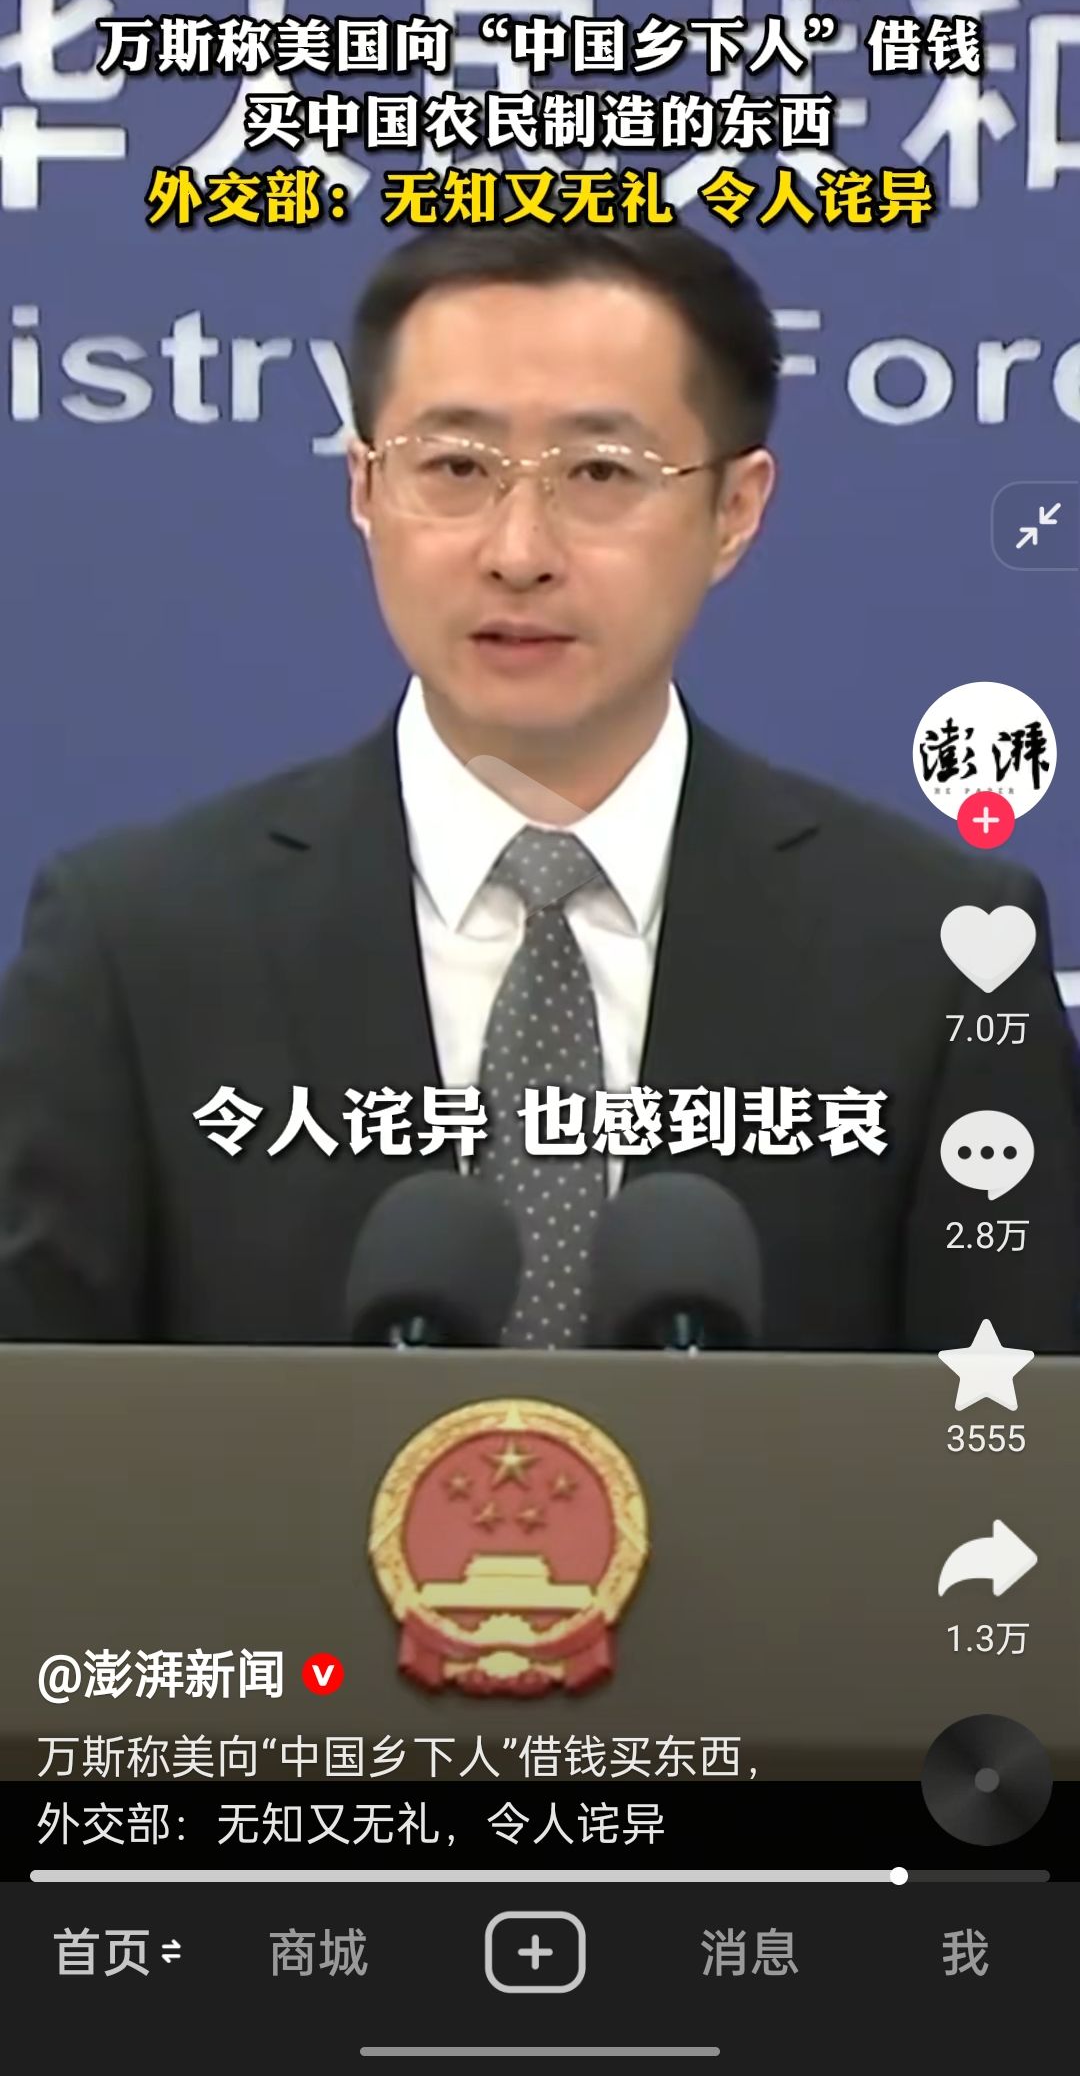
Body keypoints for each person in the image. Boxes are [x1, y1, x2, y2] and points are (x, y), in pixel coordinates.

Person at [0, 215, 1077, 1350]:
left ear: (735, 510)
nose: (519, 551)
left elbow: (1006, 1422)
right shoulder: (137, 947)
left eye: (602, 472)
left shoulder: (936, 952)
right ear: (364, 488)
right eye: (456, 469)